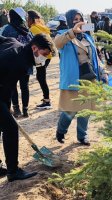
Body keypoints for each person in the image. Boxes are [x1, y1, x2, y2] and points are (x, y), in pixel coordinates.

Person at [0, 34, 55, 182]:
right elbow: (7, 86)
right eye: (43, 54)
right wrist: (5, 104)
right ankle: (13, 171)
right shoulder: (20, 63)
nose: (44, 59)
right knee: (10, 128)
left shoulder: (14, 42)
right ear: (34, 48)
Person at [54, 9, 108, 145]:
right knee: (70, 110)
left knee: (86, 108)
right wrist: (73, 32)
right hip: (73, 78)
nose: (78, 22)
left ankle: (82, 136)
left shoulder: (87, 37)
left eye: (80, 19)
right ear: (69, 21)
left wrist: (103, 71)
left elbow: (95, 57)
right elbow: (57, 44)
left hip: (89, 76)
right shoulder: (63, 34)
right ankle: (61, 130)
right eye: (75, 19)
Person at [1, 7, 33, 118]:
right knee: (25, 86)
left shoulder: (7, 29)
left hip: (12, 64)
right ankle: (25, 110)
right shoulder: (27, 29)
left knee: (12, 86)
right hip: (26, 63)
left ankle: (16, 110)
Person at [27, 10, 53, 109]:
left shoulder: (33, 28)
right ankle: (46, 100)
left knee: (41, 78)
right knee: (41, 77)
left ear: (30, 19)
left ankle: (47, 101)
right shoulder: (43, 27)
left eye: (27, 18)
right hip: (47, 56)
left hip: (41, 56)